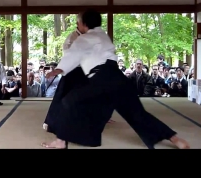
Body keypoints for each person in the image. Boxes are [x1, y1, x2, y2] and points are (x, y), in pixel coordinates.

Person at [41, 9, 189, 149]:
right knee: (137, 113)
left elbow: (72, 55)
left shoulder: (84, 38)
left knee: (68, 101)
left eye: (78, 22)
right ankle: (176, 139)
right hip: (118, 78)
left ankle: (60, 142)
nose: (77, 25)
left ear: (84, 24)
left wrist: (56, 70)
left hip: (101, 79)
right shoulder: (103, 35)